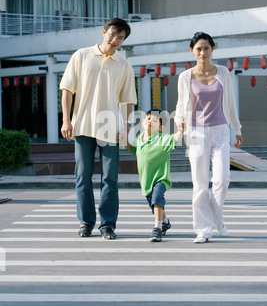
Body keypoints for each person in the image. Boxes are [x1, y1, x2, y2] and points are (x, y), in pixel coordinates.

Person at [60, 18, 137, 240]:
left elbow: (128, 101)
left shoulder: (123, 65)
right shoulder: (81, 56)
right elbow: (67, 89)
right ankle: (86, 222)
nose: (115, 40)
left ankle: (108, 225)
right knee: (83, 176)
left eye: (120, 38)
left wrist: (127, 127)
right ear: (103, 32)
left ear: (123, 41)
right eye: (112, 34)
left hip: (110, 128)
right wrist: (66, 120)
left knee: (110, 178)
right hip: (83, 126)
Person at [175, 32, 243, 244]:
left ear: (213, 49)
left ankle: (217, 219)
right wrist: (179, 122)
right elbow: (180, 104)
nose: (202, 52)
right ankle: (203, 229)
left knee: (222, 180)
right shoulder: (185, 76)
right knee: (200, 184)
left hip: (221, 130)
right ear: (191, 51)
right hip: (196, 132)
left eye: (206, 48)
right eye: (198, 49)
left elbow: (230, 102)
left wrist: (237, 128)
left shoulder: (223, 72)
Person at [124, 109, 184, 242]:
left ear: (161, 127)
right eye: (148, 119)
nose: (150, 121)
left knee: (157, 198)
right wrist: (123, 140)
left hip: (160, 179)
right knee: (155, 204)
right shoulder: (139, 139)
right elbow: (132, 149)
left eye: (155, 120)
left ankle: (157, 229)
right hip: (146, 180)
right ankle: (165, 221)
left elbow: (175, 138)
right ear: (143, 122)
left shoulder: (163, 139)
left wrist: (180, 131)